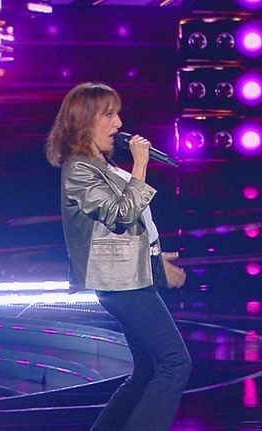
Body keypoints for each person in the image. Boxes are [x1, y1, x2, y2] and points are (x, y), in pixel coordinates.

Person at [46, 82, 191, 431]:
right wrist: (140, 164)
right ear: (84, 122)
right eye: (109, 115)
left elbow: (133, 232)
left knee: (147, 370)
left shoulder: (102, 166)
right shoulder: (79, 169)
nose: (119, 123)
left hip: (133, 279)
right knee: (175, 363)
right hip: (120, 285)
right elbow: (122, 214)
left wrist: (156, 261)